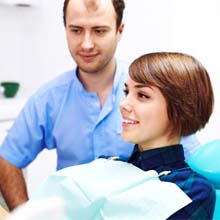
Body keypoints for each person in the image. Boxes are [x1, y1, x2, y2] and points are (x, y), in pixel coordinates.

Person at [0, 0, 198, 211]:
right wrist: (24, 214)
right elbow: (8, 159)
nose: (86, 44)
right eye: (76, 30)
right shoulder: (49, 98)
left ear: (119, 30)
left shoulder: (151, 93)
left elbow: (191, 162)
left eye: (99, 31)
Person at [120, 52, 216, 219]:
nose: (124, 104)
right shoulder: (110, 166)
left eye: (142, 95)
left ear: (180, 109)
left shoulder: (191, 190)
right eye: (126, 92)